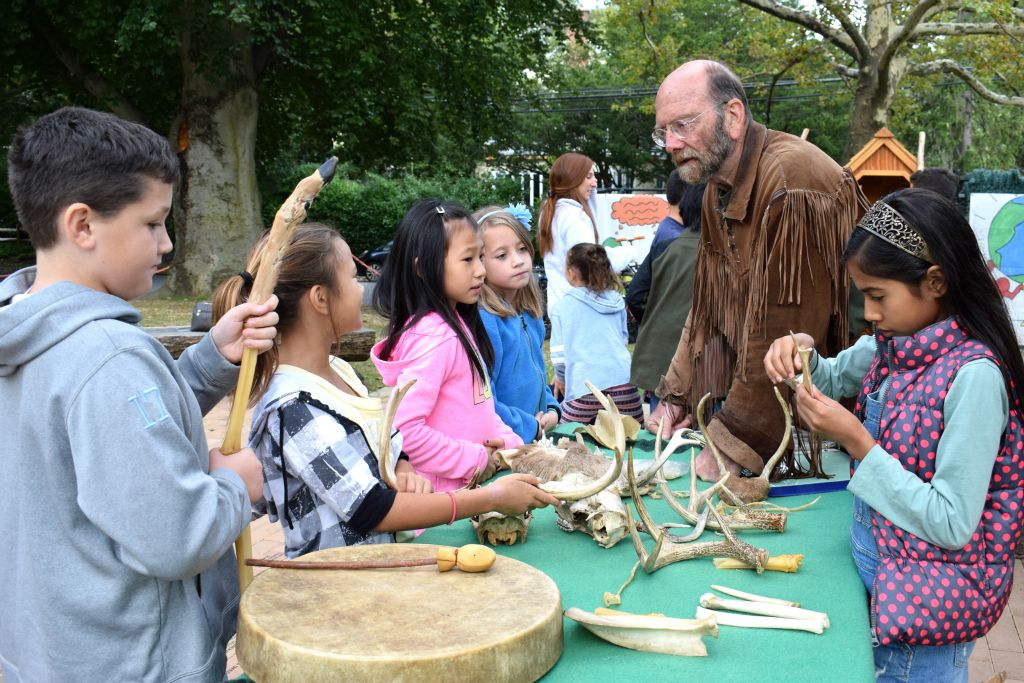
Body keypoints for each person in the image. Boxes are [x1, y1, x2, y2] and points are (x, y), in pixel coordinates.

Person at [0, 107, 279, 681]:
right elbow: (176, 537)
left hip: (51, 654)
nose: (168, 242)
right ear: (82, 225)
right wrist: (236, 482)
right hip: (138, 663)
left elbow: (110, 439)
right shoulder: (109, 358)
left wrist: (209, 361)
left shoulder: (24, 332)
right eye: (152, 224)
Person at [764, 188, 1024, 681]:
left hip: (928, 613)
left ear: (936, 282)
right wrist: (800, 353)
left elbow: (952, 522)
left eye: (877, 295)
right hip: (890, 579)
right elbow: (834, 378)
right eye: (863, 295)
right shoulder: (895, 342)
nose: (870, 313)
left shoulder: (975, 377)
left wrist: (860, 441)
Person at [212, 224, 556, 558]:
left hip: (380, 569)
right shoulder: (294, 406)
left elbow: (384, 438)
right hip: (334, 590)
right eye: (350, 278)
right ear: (320, 298)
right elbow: (370, 508)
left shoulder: (339, 370)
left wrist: (403, 467)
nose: (361, 289)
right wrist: (490, 499)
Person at [648, 59, 868, 481]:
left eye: (682, 125)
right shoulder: (717, 186)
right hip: (817, 409)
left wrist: (732, 444)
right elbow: (709, 308)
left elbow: (783, 331)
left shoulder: (790, 178)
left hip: (859, 411)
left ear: (732, 117)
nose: (671, 145)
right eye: (664, 132)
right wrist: (678, 395)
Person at [371, 200, 523, 492]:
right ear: (422, 268)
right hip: (446, 508)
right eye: (468, 260)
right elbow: (405, 433)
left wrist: (508, 442)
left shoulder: (458, 324)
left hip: (470, 492)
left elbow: (478, 406)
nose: (480, 271)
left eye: (481, 257)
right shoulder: (436, 338)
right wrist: (477, 459)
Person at [475, 204, 560, 443]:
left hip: (534, 436)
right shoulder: (484, 321)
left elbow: (538, 376)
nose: (518, 261)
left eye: (522, 249)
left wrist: (552, 409)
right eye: (502, 255)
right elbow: (483, 398)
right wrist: (527, 425)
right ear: (479, 263)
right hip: (503, 444)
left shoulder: (530, 314)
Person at [626, 175, 706, 414]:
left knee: (661, 433)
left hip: (660, 358)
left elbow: (635, 295)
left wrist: (654, 320)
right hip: (702, 362)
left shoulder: (667, 244)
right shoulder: (717, 255)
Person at [550, 243, 643, 424]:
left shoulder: (563, 306)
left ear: (572, 273)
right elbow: (623, 339)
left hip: (584, 389)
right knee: (633, 440)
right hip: (624, 386)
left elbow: (559, 356)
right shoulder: (617, 301)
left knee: (569, 441)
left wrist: (560, 378)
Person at [538, 153, 634, 310]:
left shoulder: (551, 211)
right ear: (573, 179)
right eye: (589, 176)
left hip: (560, 303)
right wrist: (628, 252)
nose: (595, 183)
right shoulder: (575, 217)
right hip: (580, 307)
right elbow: (592, 265)